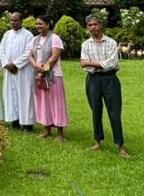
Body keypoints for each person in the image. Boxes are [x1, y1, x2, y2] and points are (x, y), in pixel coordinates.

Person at [80, 14, 130, 158]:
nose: (93, 27)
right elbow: (84, 65)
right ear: (87, 27)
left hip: (110, 80)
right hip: (93, 80)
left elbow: (112, 64)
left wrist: (92, 63)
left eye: (95, 24)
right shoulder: (85, 44)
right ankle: (97, 142)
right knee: (96, 110)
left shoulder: (111, 43)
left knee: (114, 112)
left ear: (100, 25)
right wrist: (99, 64)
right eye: (90, 25)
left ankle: (120, 145)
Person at [29, 15, 68, 141]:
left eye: (41, 24)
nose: (38, 26)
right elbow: (29, 55)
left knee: (56, 103)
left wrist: (43, 69)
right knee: (43, 102)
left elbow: (55, 56)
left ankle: (60, 133)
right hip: (39, 75)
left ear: (47, 24)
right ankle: (46, 130)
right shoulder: (34, 39)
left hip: (53, 76)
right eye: (37, 24)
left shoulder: (55, 38)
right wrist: (36, 66)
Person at [0, 12, 35, 132]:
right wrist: (6, 64)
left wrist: (15, 64)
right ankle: (14, 121)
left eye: (15, 20)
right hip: (9, 71)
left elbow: (29, 52)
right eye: (11, 20)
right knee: (10, 95)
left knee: (25, 96)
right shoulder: (7, 34)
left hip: (23, 71)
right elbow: (1, 50)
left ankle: (27, 124)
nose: (13, 23)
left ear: (21, 21)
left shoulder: (28, 35)